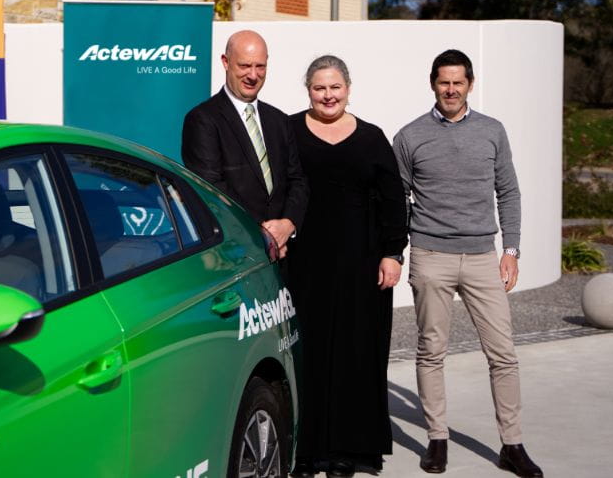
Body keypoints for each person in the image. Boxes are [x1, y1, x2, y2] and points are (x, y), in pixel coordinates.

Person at [393, 49, 543, 477]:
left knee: (503, 354)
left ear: (470, 84)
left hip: (482, 257)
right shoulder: (409, 136)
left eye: (458, 82)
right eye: (444, 82)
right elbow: (397, 198)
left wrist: (510, 250)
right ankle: (436, 438)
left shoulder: (493, 132)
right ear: (433, 85)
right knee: (431, 350)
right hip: (431, 256)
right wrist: (401, 251)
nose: (451, 89)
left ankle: (512, 445)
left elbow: (508, 192)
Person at [285, 55, 407, 478]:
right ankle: (305, 451)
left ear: (349, 89)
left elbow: (394, 201)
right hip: (303, 264)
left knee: (355, 354)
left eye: (335, 87)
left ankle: (347, 452)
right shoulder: (288, 132)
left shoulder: (372, 138)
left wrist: (393, 253)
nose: (328, 95)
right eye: (320, 88)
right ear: (308, 90)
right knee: (307, 354)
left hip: (362, 264)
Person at [181, 30, 308, 253]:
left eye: (260, 66)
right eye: (244, 66)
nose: (253, 75)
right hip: (235, 254)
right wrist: (265, 237)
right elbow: (212, 189)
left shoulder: (279, 120)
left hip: (284, 252)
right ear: (225, 62)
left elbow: (297, 180)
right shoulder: (203, 119)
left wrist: (287, 225)